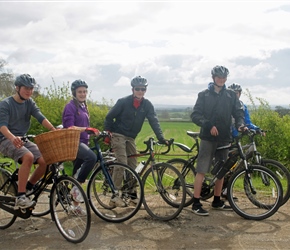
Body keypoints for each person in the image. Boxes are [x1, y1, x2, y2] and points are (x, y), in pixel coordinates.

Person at [104, 75, 168, 207]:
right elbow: (109, 117)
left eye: (143, 89)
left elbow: (154, 121)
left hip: (131, 137)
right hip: (118, 134)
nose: (140, 91)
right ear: (132, 89)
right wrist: (107, 133)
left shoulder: (147, 105)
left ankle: (131, 194)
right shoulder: (123, 102)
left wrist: (161, 138)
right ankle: (115, 194)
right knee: (122, 162)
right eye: (138, 89)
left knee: (133, 165)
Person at [190, 65, 245, 216]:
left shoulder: (230, 95)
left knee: (221, 171)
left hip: (224, 138)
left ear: (226, 79)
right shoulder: (204, 95)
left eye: (224, 78)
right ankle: (195, 203)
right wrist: (208, 125)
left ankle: (216, 200)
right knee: (202, 170)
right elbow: (195, 115)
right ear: (213, 78)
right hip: (208, 138)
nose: (221, 80)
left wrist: (240, 125)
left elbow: (238, 112)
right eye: (219, 77)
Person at [0, 74, 56, 209]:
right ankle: (20, 197)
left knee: (45, 160)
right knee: (28, 157)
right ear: (17, 88)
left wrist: (54, 130)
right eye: (26, 88)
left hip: (23, 139)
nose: (29, 91)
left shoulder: (29, 102)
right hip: (5, 139)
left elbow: (40, 117)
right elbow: (2, 126)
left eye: (31, 89)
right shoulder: (5, 104)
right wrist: (13, 138)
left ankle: (28, 187)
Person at [62, 79, 98, 213]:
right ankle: (76, 189)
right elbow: (69, 127)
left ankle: (74, 206)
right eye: (80, 92)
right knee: (92, 158)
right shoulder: (70, 106)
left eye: (84, 91)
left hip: (83, 142)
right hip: (73, 142)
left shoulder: (83, 106)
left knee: (77, 172)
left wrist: (94, 132)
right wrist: (86, 129)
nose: (82, 94)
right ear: (74, 93)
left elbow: (84, 127)